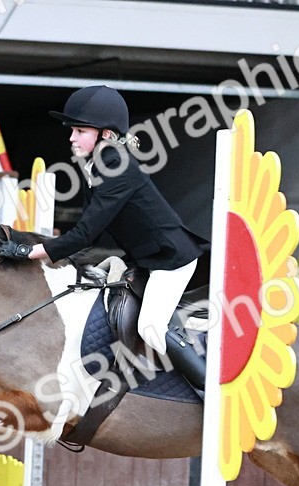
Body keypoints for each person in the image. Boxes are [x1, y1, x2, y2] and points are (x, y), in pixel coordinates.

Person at [25, 85, 207, 368]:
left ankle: (208, 389)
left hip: (171, 260)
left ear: (106, 134)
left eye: (80, 131)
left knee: (150, 328)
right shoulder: (97, 165)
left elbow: (85, 235)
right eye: (72, 130)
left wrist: (31, 250)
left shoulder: (117, 166)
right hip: (147, 259)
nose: (71, 137)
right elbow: (88, 230)